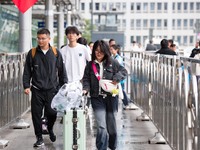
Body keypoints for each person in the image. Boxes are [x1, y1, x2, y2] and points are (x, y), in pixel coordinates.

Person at [23, 28, 68, 147]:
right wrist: (26, 86)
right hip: (37, 89)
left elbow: (62, 71)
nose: (40, 41)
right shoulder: (32, 53)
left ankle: (50, 128)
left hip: (52, 90)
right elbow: (27, 71)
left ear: (49, 39)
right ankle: (39, 137)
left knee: (51, 113)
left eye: (43, 38)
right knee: (36, 114)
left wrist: (64, 87)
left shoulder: (55, 52)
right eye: (38, 38)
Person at [82, 40, 127, 150]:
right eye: (96, 51)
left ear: (106, 51)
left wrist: (116, 79)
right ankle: (101, 147)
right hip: (97, 98)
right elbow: (86, 79)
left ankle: (112, 146)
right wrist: (86, 89)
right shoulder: (90, 65)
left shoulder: (112, 62)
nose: (98, 53)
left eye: (101, 51)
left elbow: (124, 71)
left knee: (111, 127)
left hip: (111, 98)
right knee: (101, 126)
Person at [110, 44, 135, 110]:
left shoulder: (118, 58)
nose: (111, 51)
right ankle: (126, 102)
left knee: (120, 90)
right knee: (118, 90)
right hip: (117, 77)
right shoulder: (114, 57)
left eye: (112, 49)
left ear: (116, 50)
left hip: (119, 77)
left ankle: (126, 103)